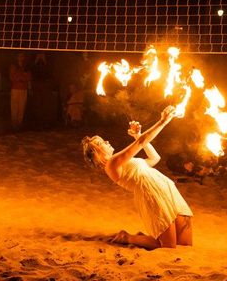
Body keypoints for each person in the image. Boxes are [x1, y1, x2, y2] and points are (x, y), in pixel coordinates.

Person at [82, 106, 193, 249]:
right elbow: (140, 143)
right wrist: (163, 122)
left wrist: (137, 135)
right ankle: (127, 237)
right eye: (101, 143)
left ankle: (142, 236)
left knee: (185, 244)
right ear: (97, 155)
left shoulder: (125, 163)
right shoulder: (112, 164)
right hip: (151, 195)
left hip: (165, 188)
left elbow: (154, 158)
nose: (107, 142)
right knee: (168, 246)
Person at [9, 52, 32, 130]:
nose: (21, 58)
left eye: (22, 56)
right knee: (14, 107)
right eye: (20, 56)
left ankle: (19, 125)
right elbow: (12, 77)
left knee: (21, 108)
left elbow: (29, 78)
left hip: (24, 89)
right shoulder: (13, 66)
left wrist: (20, 77)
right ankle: (14, 124)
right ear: (17, 57)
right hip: (15, 89)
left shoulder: (26, 67)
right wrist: (22, 77)